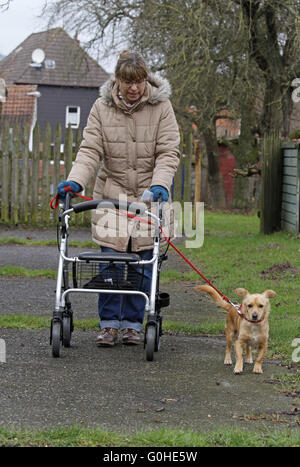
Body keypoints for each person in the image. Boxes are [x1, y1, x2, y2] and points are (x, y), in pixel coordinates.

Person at [56, 50, 180, 347]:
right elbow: (90, 151)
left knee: (142, 263)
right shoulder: (102, 107)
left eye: (138, 81)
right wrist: (75, 181)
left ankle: (135, 325)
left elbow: (168, 152)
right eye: (127, 82)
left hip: (149, 198)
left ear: (146, 80)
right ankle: (110, 325)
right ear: (117, 80)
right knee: (109, 264)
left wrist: (160, 183)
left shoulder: (162, 107)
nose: (133, 88)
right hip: (111, 197)